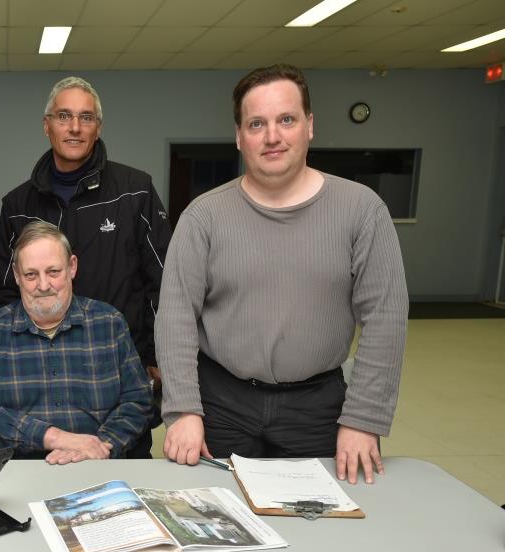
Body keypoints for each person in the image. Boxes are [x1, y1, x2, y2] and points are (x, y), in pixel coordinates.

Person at [157, 64, 409, 484]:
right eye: (257, 124)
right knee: (214, 527)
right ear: (239, 136)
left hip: (319, 408)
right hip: (220, 403)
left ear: (309, 126)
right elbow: (175, 317)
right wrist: (183, 409)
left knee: (326, 533)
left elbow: (385, 318)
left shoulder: (362, 210)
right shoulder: (204, 216)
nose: (272, 136)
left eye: (286, 120)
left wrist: (364, 418)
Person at [0, 76, 171, 435]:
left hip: (118, 367)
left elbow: (163, 279)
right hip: (38, 372)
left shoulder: (135, 191)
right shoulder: (18, 204)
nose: (74, 127)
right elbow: (6, 291)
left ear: (98, 127)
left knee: (120, 462)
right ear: (47, 125)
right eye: (64, 116)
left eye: (86, 117)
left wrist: (155, 354)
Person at [0, 222, 153, 464]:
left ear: (72, 267)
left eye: (53, 272)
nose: (43, 286)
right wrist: (52, 437)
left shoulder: (109, 323)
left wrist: (100, 445)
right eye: (31, 275)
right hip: (20, 473)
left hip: (99, 468)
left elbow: (138, 400)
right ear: (17, 276)